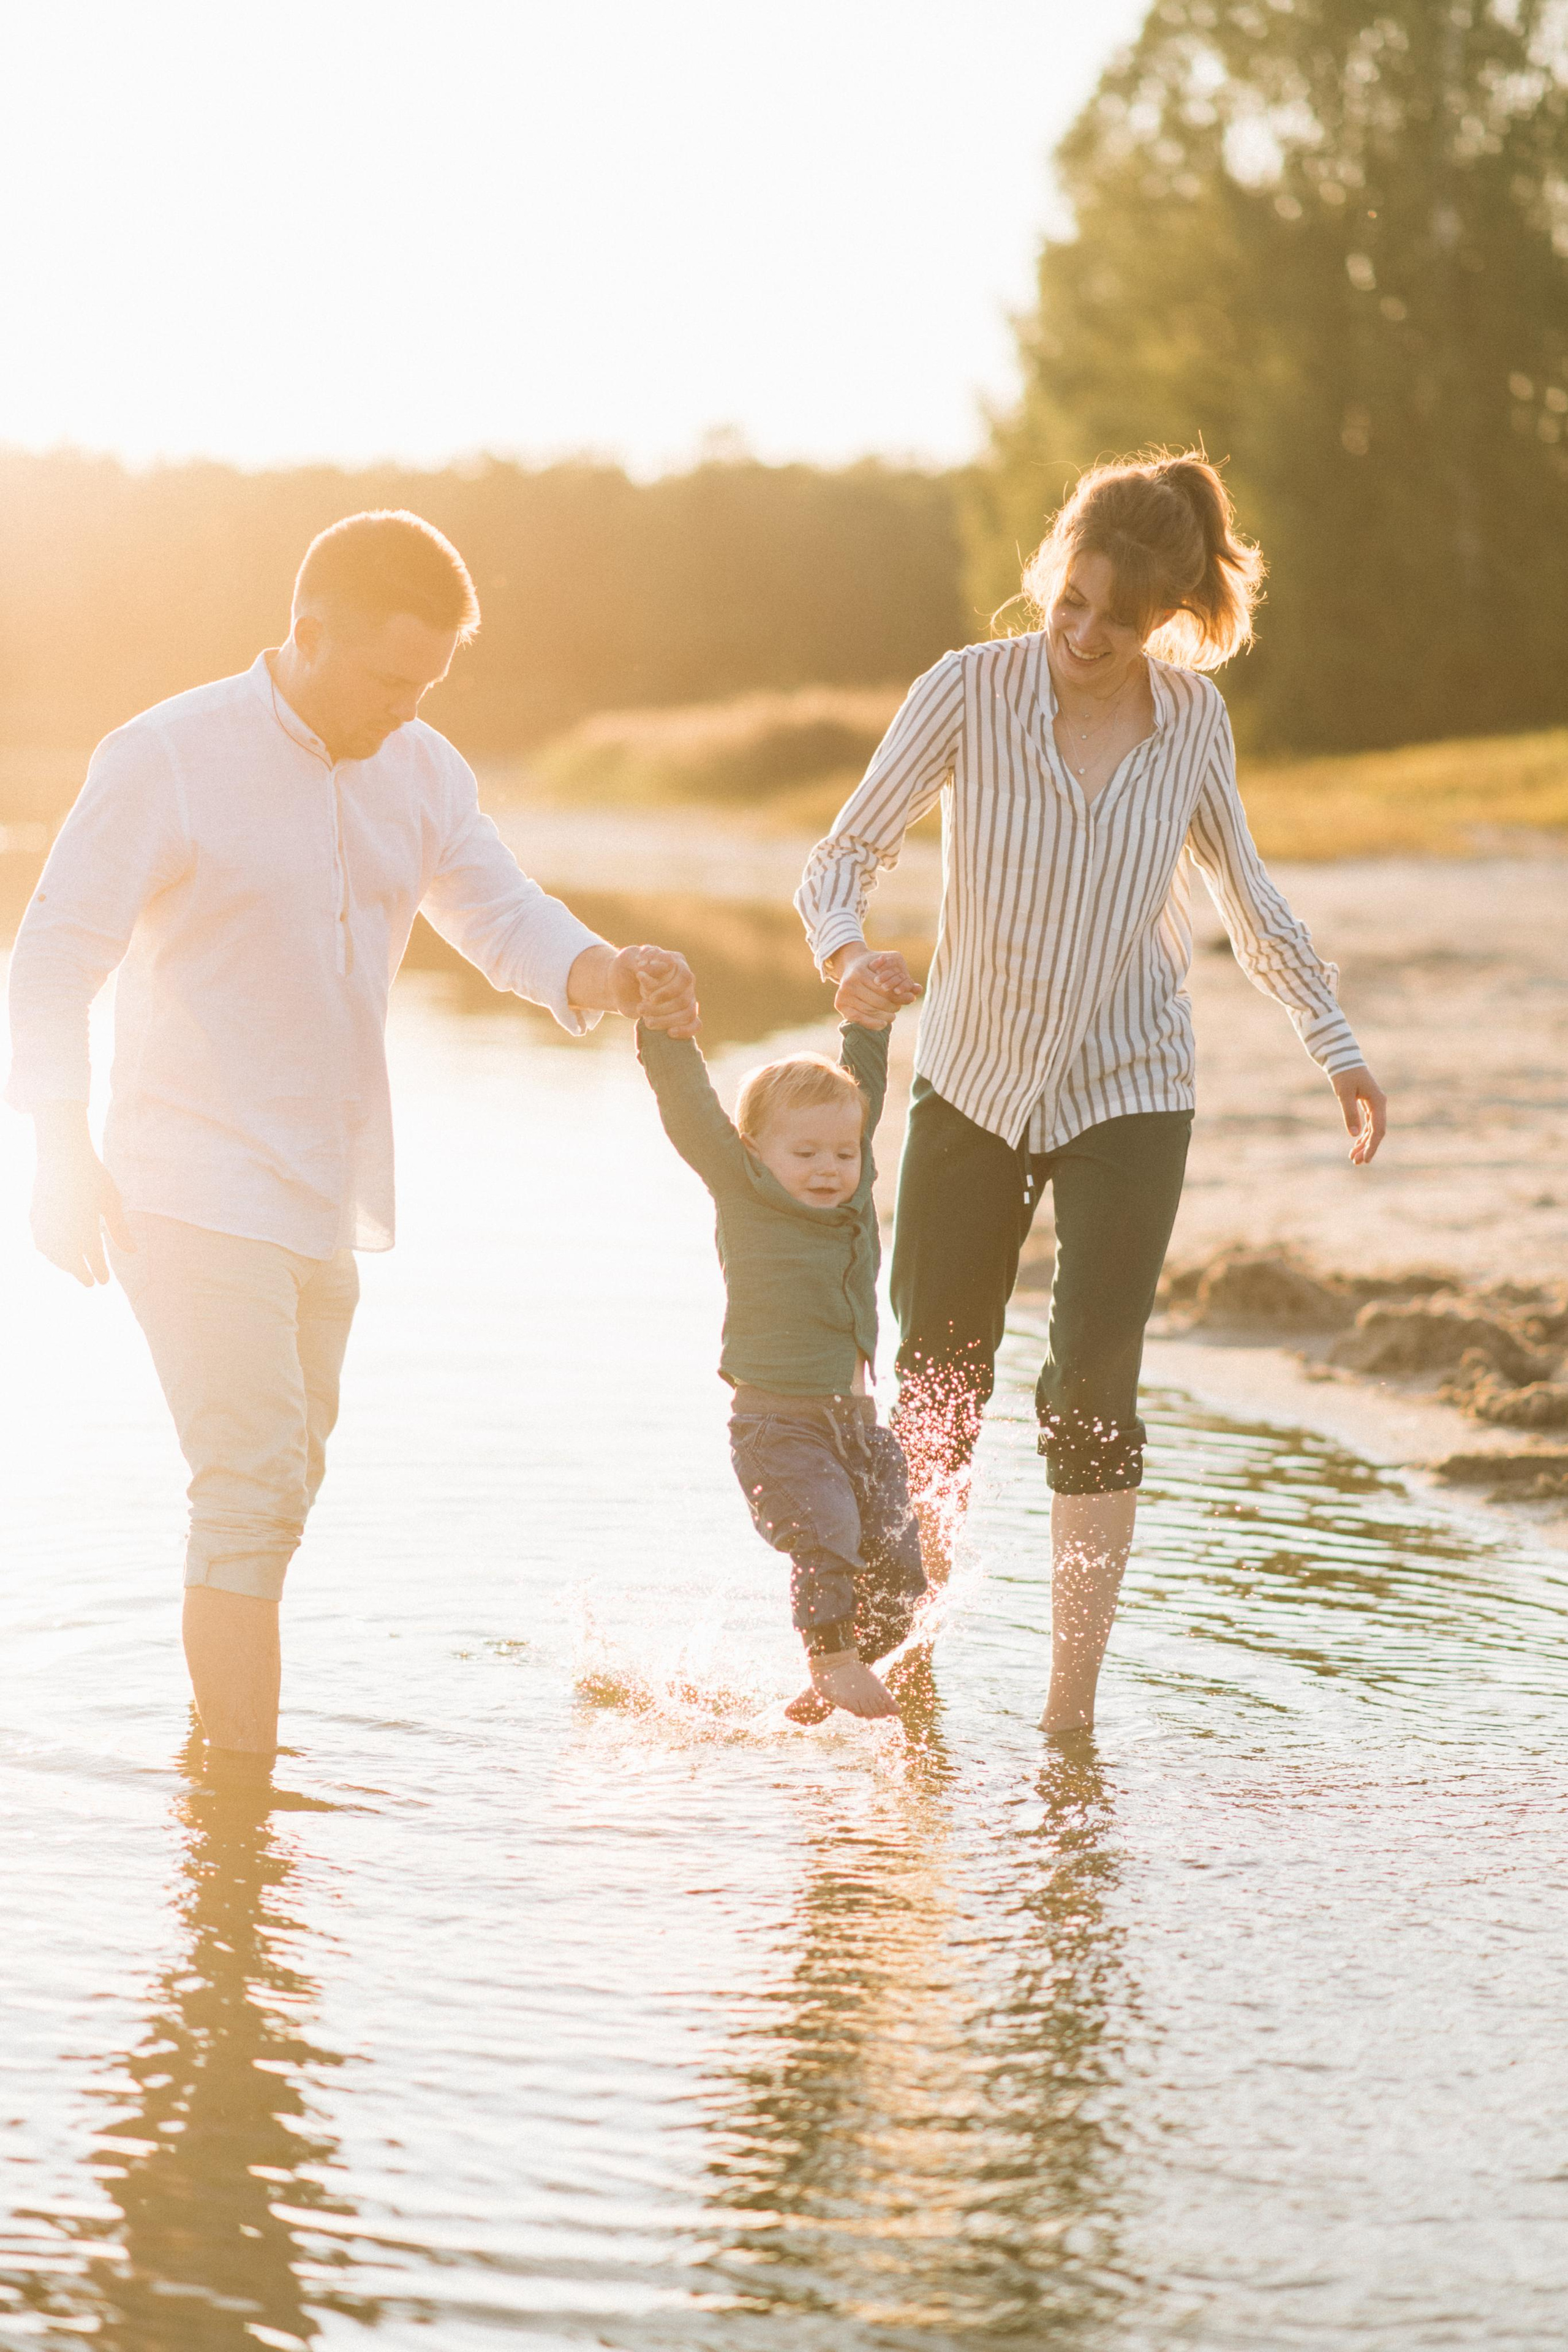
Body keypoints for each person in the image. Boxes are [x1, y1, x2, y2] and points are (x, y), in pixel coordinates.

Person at [7, 508, 699, 1771]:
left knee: (280, 1493)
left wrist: (607, 971)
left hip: (325, 1196)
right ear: (304, 633)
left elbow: (499, 912)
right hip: (183, 1182)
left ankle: (223, 1790)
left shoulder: (422, 770)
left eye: (428, 683)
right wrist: (58, 1145)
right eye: (389, 679)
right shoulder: (166, 757)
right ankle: (234, 1810)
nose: (407, 708)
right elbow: (51, 961)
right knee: (251, 1486)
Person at [795, 450, 1389, 1736]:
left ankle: (1067, 1718)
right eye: (1067, 602)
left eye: (1113, 622)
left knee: (1092, 1389)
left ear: (1164, 621)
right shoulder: (966, 691)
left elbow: (1246, 893)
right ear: (1051, 576)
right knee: (939, 1383)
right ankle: (914, 1664)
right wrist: (845, 954)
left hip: (1130, 1083)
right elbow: (840, 854)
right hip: (969, 1077)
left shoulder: (1189, 727)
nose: (1079, 634)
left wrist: (1331, 1042)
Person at [636, 963, 925, 1722]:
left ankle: (830, 1670)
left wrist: (869, 1022)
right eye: (805, 1154)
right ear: (757, 1150)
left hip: (857, 1429)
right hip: (778, 1428)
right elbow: (688, 1109)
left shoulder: (852, 1190)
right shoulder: (744, 1190)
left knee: (902, 1582)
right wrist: (665, 1031)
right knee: (826, 1535)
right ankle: (829, 1657)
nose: (829, 1169)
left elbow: (863, 1087)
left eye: (843, 1153)